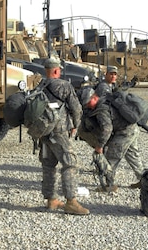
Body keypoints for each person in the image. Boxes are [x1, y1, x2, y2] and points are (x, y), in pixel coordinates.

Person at [38, 58, 90, 215]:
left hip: (43, 132)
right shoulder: (64, 86)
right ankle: (71, 201)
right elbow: (76, 108)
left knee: (48, 165)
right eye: (59, 70)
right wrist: (75, 125)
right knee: (70, 163)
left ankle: (51, 199)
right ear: (55, 70)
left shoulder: (39, 85)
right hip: (59, 131)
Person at [79, 88, 143, 192]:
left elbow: (107, 129)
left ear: (94, 97)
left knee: (111, 158)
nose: (87, 106)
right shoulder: (106, 100)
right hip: (132, 128)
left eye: (88, 103)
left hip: (125, 132)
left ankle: (110, 185)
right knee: (133, 156)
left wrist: (100, 146)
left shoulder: (102, 110)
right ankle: (144, 180)